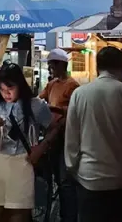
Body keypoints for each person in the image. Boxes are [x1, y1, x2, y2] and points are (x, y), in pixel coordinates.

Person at [65, 46, 122, 222]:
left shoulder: (79, 94)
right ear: (121, 67)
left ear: (97, 67)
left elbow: (71, 141)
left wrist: (74, 169)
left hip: (89, 180)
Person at [0, 63, 60, 222]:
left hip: (22, 163)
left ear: (20, 85)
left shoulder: (36, 105)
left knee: (18, 214)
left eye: (10, 88)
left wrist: (41, 147)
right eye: (1, 89)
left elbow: (54, 128)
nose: (6, 94)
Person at [38, 48, 79, 222]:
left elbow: (74, 110)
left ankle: (68, 217)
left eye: (52, 65)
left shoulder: (72, 85)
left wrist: (56, 110)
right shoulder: (52, 84)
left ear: (61, 65)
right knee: (53, 178)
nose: (50, 69)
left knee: (65, 181)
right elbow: (39, 100)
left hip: (65, 138)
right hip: (51, 138)